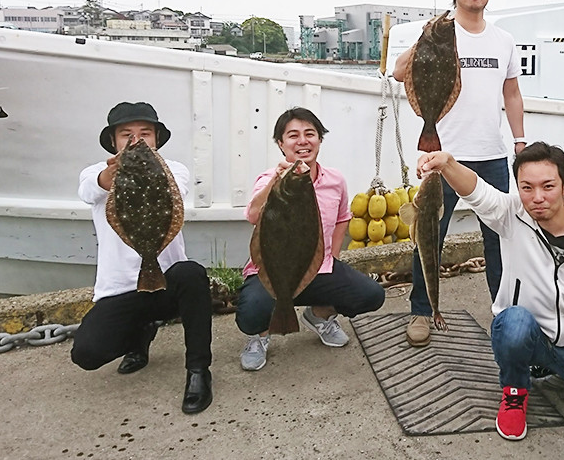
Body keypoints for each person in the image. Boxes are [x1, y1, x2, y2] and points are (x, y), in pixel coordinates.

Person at [417, 142, 564, 440]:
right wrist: (447, 163)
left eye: (547, 186)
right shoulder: (511, 214)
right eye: (526, 187)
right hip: (522, 331)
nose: (537, 198)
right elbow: (478, 192)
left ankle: (562, 370)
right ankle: (515, 390)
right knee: (513, 323)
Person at [393, 0, 526, 347]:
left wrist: (519, 140)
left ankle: (504, 313)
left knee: (500, 239)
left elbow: (512, 93)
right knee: (428, 235)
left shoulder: (503, 40)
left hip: (492, 155)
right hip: (441, 154)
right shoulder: (438, 32)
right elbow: (400, 73)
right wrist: (426, 37)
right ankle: (421, 310)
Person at [71, 101, 213, 415]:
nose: (136, 140)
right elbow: (88, 190)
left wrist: (139, 168)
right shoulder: (97, 173)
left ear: (157, 139)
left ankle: (199, 371)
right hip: (120, 290)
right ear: (113, 141)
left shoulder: (174, 169)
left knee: (191, 273)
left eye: (145, 134)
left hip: (166, 282)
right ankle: (139, 335)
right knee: (87, 353)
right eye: (126, 135)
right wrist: (110, 175)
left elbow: (178, 187)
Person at [235, 107, 385, 370]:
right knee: (251, 312)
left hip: (317, 267)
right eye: (293, 135)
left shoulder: (335, 180)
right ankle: (259, 336)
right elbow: (253, 214)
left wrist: (331, 259)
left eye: (310, 134)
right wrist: (275, 182)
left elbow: (342, 219)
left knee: (371, 295)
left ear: (319, 140)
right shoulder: (270, 180)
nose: (302, 141)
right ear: (281, 144)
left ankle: (318, 316)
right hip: (272, 269)